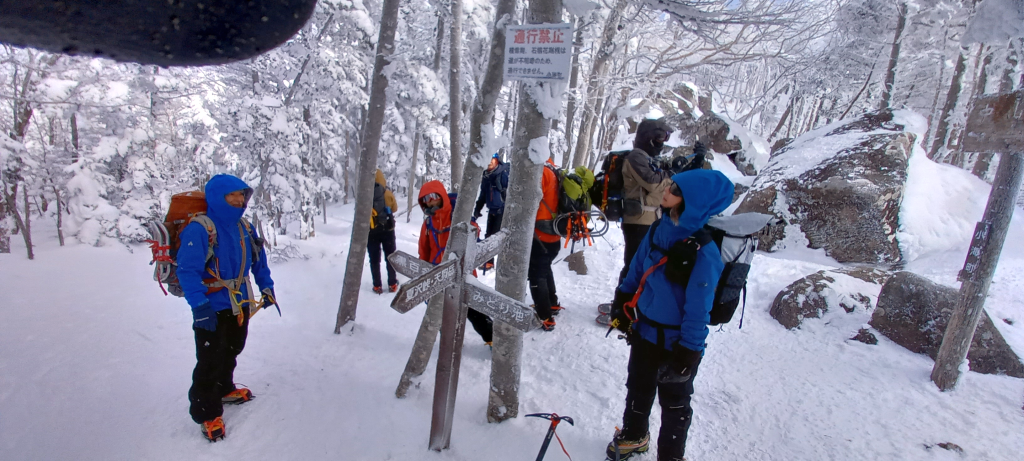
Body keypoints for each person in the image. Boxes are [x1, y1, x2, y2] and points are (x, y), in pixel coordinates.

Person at [605, 169, 733, 461]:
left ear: (695, 202)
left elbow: (698, 308)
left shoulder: (705, 251)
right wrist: (621, 303)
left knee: (675, 403)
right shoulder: (657, 228)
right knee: (638, 386)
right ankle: (635, 436)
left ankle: (671, 456)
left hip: (677, 342)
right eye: (670, 184)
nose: (666, 190)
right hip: (645, 329)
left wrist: (689, 352)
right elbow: (637, 269)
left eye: (675, 190)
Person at [176, 174, 276, 442]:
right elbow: (187, 271)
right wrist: (199, 306)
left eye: (242, 195)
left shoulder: (244, 226)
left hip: (239, 303)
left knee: (232, 349)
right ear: (217, 197)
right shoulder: (200, 229)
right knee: (209, 360)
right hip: (211, 305)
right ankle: (206, 412)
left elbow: (258, 260)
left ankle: (224, 388)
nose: (239, 200)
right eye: (232, 195)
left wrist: (267, 287)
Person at [417, 180, 494, 345]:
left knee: (475, 311)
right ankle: (449, 342)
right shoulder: (428, 223)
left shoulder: (458, 215)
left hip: (462, 273)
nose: (429, 201)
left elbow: (473, 233)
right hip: (437, 275)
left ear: (441, 195)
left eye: (433, 196)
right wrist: (424, 275)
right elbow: (424, 250)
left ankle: (493, 340)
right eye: (425, 199)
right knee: (440, 312)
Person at [529, 160, 564, 331]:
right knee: (544, 268)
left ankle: (545, 317)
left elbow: (531, 201)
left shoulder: (541, 172)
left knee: (536, 275)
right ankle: (552, 303)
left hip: (541, 234)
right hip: (554, 232)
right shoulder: (555, 171)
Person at [474, 153, 510, 270]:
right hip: (492, 210)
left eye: (492, 159)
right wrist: (477, 210)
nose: (489, 162)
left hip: (503, 210)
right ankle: (488, 261)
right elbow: (483, 195)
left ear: (497, 160)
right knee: (489, 236)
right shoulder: (486, 175)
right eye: (487, 159)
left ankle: (500, 262)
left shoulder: (503, 173)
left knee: (496, 236)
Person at [368, 169, 399, 294]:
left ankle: (377, 285)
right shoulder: (387, 193)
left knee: (374, 259)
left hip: (371, 231)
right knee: (390, 257)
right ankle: (392, 283)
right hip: (388, 229)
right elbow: (395, 208)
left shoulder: (366, 194)